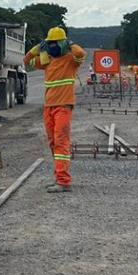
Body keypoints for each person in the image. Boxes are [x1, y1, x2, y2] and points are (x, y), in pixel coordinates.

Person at [23, 27, 85, 193]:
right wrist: (37, 48)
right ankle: (59, 176)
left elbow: (80, 53)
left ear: (63, 43)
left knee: (61, 142)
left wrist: (69, 44)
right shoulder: (47, 60)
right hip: (49, 107)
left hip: (63, 106)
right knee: (53, 143)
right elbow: (26, 60)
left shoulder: (71, 60)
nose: (53, 46)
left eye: (56, 43)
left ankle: (63, 181)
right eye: (50, 43)